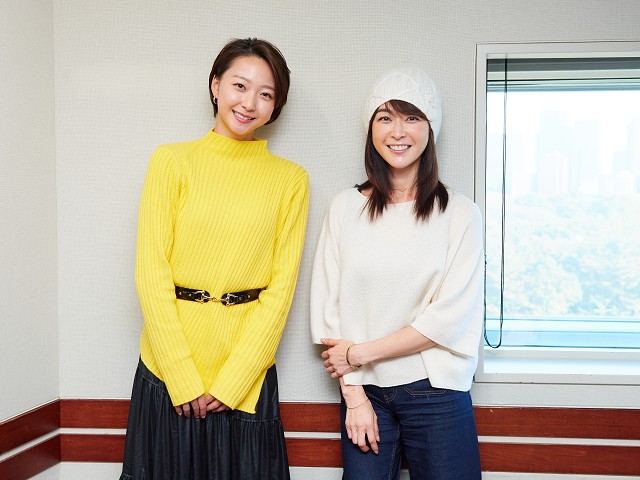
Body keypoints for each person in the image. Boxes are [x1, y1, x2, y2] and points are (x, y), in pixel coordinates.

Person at [120, 37, 309, 480]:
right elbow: (151, 273)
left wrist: (233, 382)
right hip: (166, 370)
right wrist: (180, 374)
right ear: (215, 85)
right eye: (240, 86)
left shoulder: (291, 180)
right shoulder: (171, 161)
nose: (249, 103)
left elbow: (280, 292)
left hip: (246, 379)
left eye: (266, 94)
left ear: (276, 105)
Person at [310, 67, 483, 479]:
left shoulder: (460, 213)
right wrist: (354, 396)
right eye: (385, 117)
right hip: (363, 391)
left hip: (436, 390)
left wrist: (360, 354)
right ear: (371, 129)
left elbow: (449, 319)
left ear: (430, 128)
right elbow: (328, 312)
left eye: (412, 117)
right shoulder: (344, 208)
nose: (398, 131)